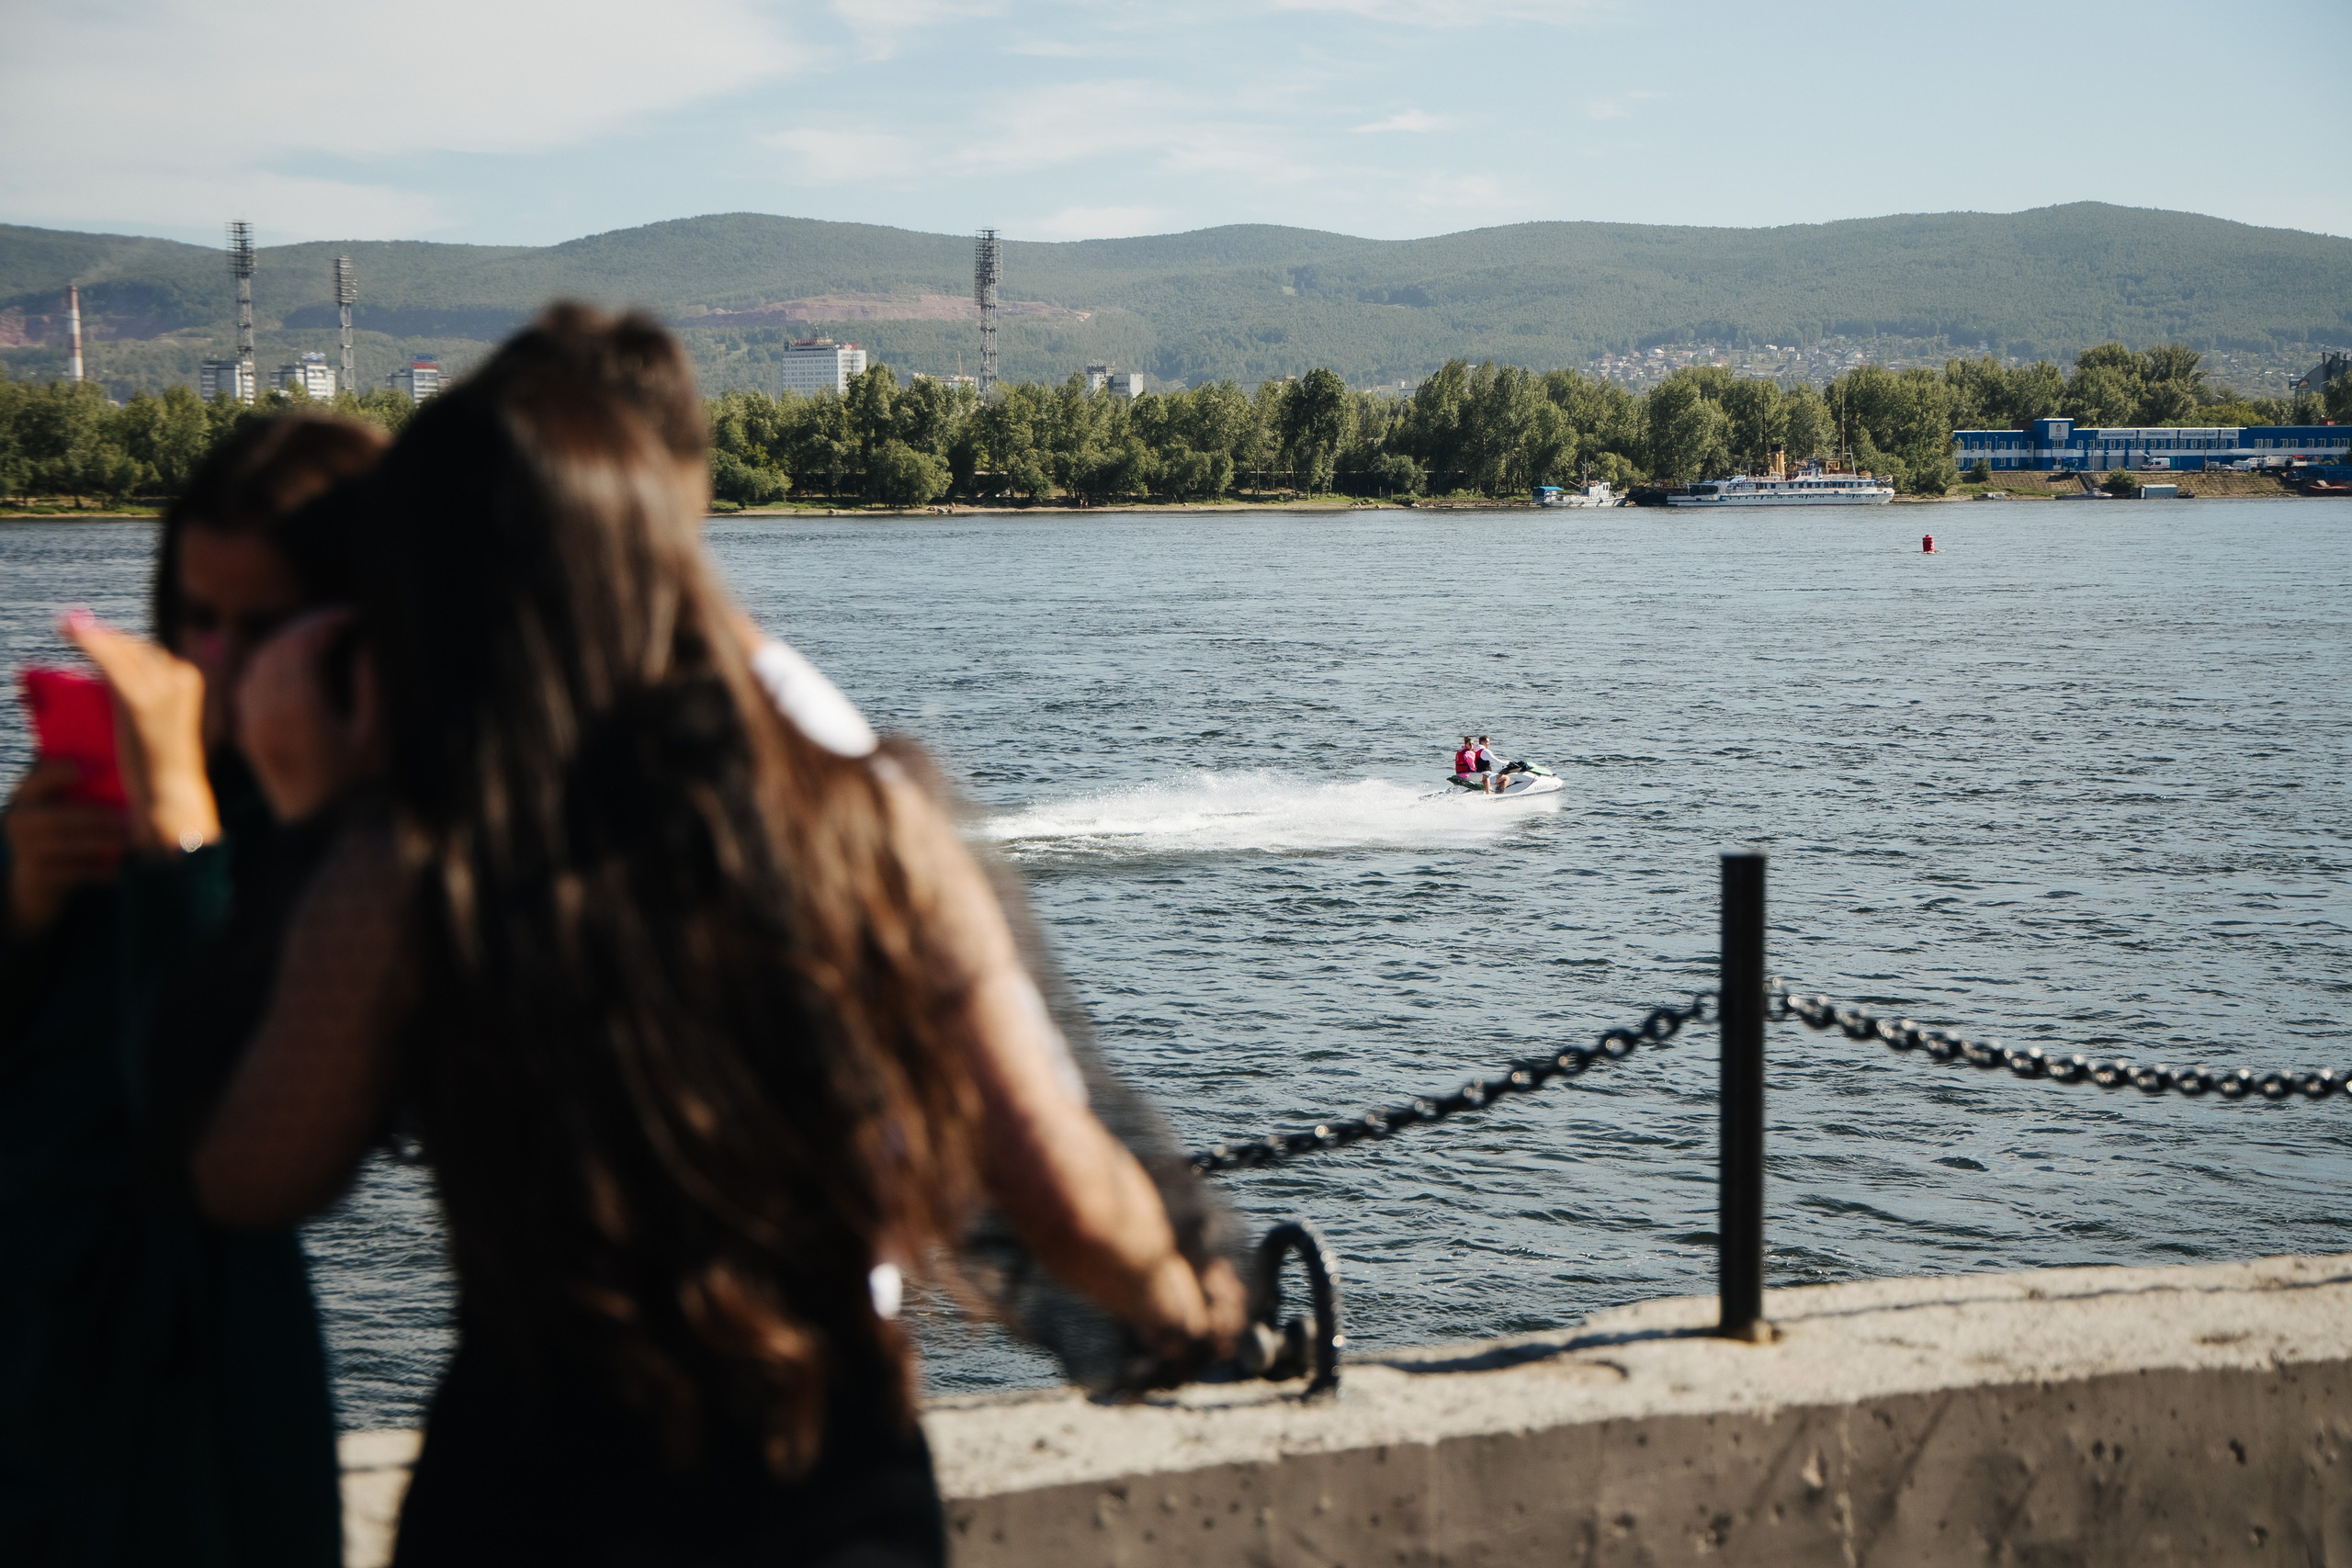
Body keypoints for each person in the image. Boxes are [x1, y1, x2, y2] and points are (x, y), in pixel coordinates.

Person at [182, 316, 1244, 1564]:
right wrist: (1185, 1302)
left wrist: (302, 818)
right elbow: (1056, 1182)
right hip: (815, 1490)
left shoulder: (407, 867)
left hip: (521, 1500)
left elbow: (248, 1173)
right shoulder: (864, 821)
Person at [1, 412, 383, 1566]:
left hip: (202, 1387)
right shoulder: (107, 779)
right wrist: (19, 898)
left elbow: (212, 1119)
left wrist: (182, 835)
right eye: (194, 619)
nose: (215, 661)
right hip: (35, 1357)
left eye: (260, 626)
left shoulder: (353, 830)